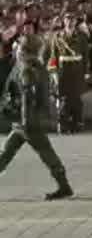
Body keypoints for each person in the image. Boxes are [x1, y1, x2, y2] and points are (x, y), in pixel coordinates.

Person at [0, 18, 73, 201]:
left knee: (45, 153)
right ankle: (63, 185)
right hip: (26, 121)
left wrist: (25, 121)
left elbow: (27, 96)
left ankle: (64, 186)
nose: (16, 50)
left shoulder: (27, 69)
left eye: (19, 48)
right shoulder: (34, 66)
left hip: (28, 121)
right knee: (7, 152)